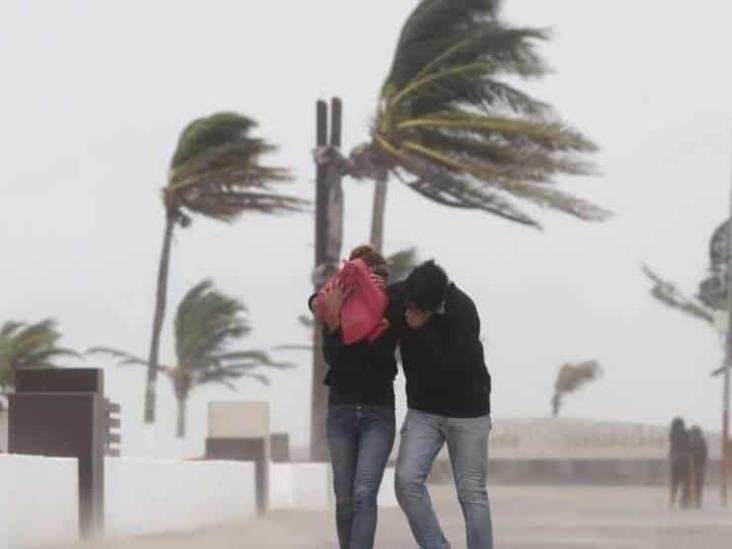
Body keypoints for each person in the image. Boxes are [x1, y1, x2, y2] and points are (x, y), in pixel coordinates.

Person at [389, 260, 493, 549]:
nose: (408, 309)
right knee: (407, 481)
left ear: (433, 306)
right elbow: (373, 300)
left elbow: (451, 368)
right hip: (424, 410)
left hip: (468, 412)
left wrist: (422, 328)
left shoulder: (464, 311)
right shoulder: (409, 293)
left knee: (471, 492)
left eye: (416, 308)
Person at [310, 245, 397, 549]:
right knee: (344, 499)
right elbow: (336, 361)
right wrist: (334, 322)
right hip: (341, 412)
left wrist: (377, 320)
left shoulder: (389, 313)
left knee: (363, 495)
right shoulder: (335, 312)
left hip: (378, 414)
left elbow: (384, 367)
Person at [668, 417, 691, 508]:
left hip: (676, 461)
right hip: (685, 461)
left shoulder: (672, 434)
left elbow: (672, 448)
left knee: (674, 482)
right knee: (685, 482)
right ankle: (684, 501)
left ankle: (672, 500)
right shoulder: (686, 434)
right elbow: (689, 446)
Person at [688, 425, 708, 508]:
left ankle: (695, 500)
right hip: (699, 466)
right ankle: (697, 500)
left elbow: (692, 452)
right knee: (698, 484)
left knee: (694, 484)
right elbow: (705, 454)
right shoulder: (702, 441)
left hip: (695, 466)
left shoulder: (693, 442)